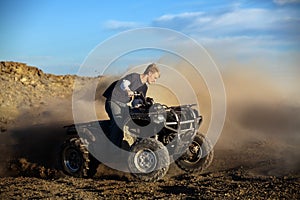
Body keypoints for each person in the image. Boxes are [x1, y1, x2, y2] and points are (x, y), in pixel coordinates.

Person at [102, 63, 160, 148]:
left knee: (134, 120)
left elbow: (137, 100)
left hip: (124, 104)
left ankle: (138, 145)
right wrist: (128, 90)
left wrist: (138, 104)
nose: (155, 81)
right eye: (155, 78)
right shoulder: (134, 77)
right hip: (114, 101)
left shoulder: (144, 87)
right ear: (149, 73)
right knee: (118, 122)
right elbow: (123, 84)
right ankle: (113, 150)